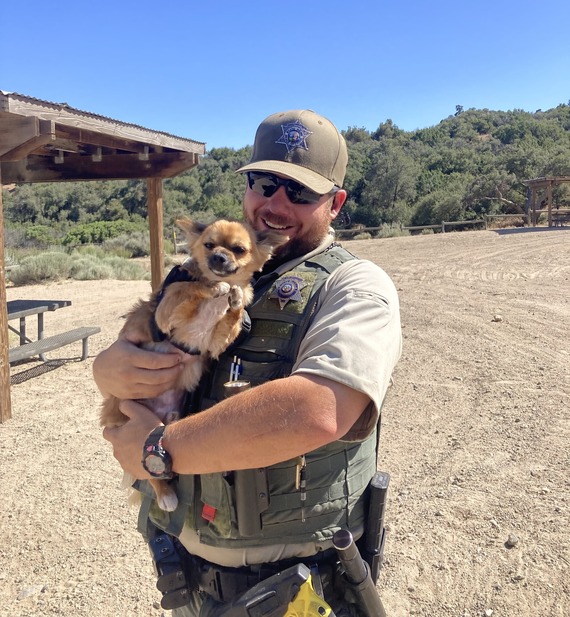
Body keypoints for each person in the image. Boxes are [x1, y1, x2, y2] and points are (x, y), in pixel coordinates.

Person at [94, 109, 402, 616]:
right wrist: (106, 367)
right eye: (264, 182)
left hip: (294, 584)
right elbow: (146, 336)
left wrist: (159, 451)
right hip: (188, 571)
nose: (277, 203)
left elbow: (318, 411)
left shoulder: (354, 286)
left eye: (300, 192)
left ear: (336, 203)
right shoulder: (211, 269)